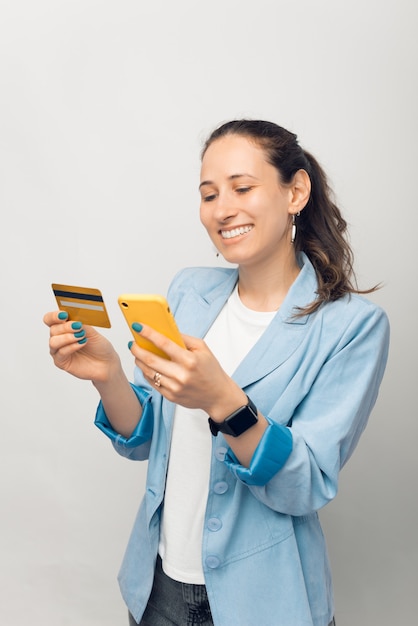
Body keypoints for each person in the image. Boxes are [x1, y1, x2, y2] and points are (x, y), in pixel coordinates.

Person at [44, 119, 390, 626]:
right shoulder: (189, 291)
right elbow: (144, 440)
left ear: (295, 191)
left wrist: (223, 402)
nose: (222, 209)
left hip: (264, 601)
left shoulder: (352, 328)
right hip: (157, 585)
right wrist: (108, 375)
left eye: (242, 188)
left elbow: (305, 485)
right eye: (209, 195)